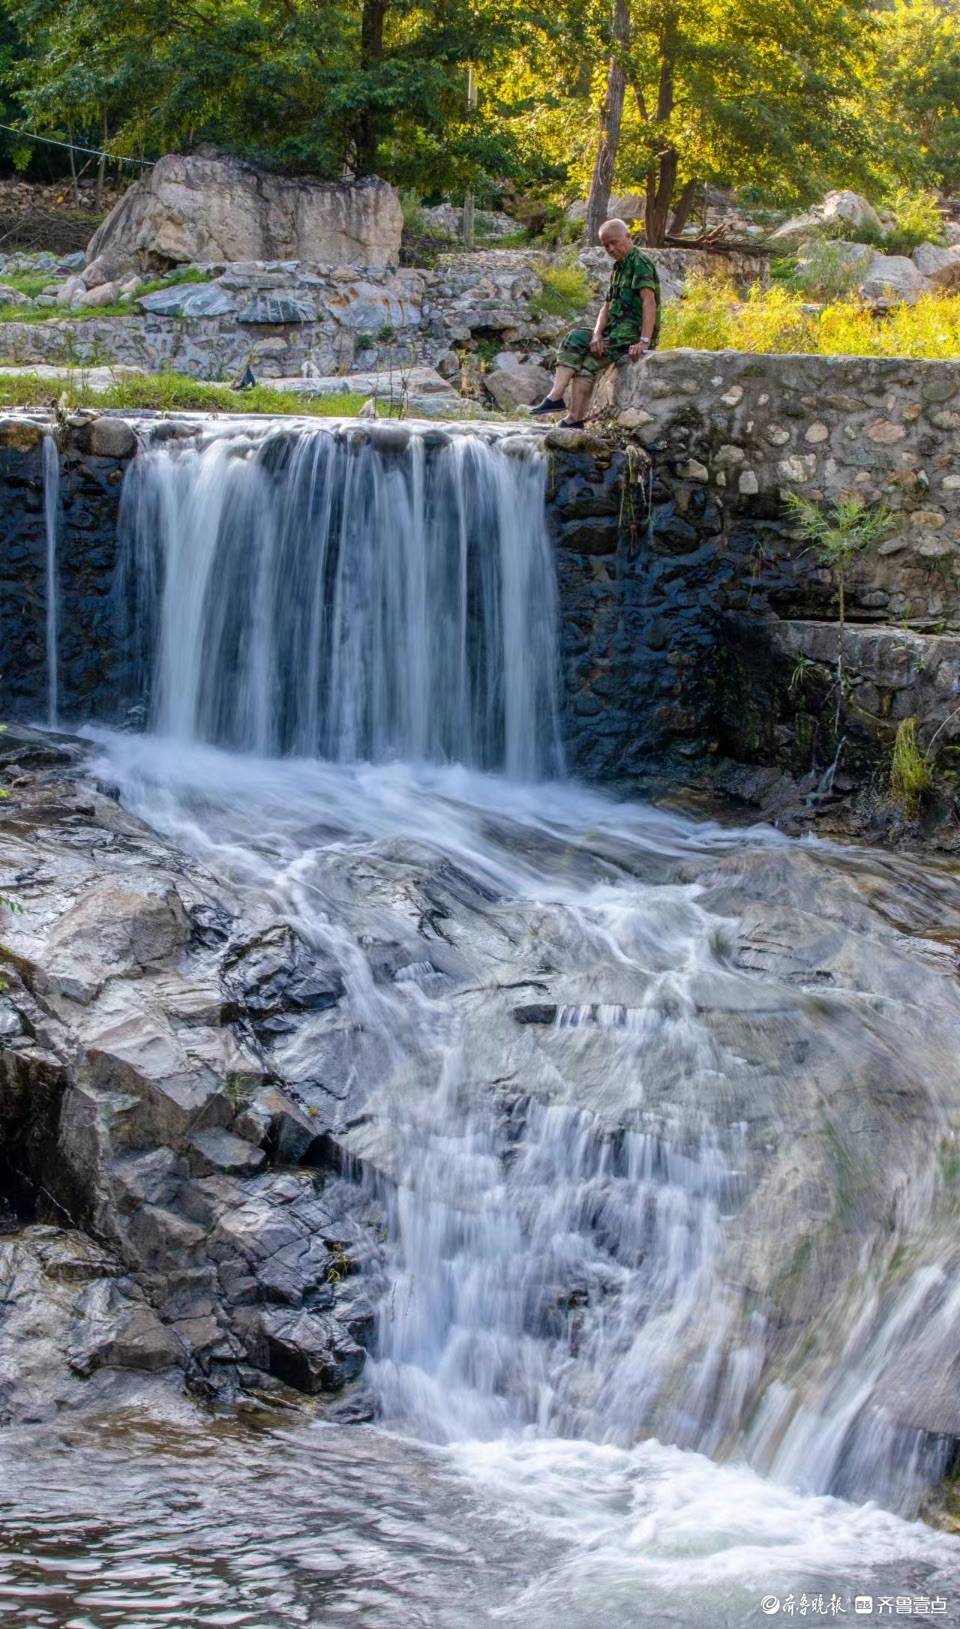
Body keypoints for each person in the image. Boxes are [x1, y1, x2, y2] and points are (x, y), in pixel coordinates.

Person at [532, 218, 660, 428]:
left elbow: (649, 302)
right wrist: (596, 334)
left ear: (629, 238)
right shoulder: (618, 267)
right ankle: (555, 398)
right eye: (606, 245)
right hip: (614, 332)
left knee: (588, 365)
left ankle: (574, 419)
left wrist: (644, 341)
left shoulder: (640, 264)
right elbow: (606, 306)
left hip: (631, 336)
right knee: (574, 337)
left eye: (615, 242)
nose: (610, 248)